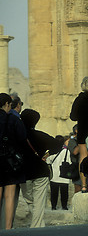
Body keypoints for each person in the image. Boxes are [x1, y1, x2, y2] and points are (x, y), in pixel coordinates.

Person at [20, 109, 62, 228]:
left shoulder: (18, 136)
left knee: (28, 198)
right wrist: (47, 154)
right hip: (40, 171)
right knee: (39, 201)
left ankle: (37, 224)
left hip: (25, 173)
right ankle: (38, 225)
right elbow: (58, 145)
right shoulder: (40, 135)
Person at [0, 93, 27, 230]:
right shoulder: (14, 120)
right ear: (6, 104)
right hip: (11, 162)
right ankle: (8, 228)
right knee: (9, 195)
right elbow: (23, 138)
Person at [45, 136, 71, 210]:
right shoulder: (66, 151)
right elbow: (69, 162)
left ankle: (54, 206)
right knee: (64, 193)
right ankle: (64, 206)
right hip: (64, 175)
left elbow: (48, 161)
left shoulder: (52, 151)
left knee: (54, 192)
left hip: (54, 175)